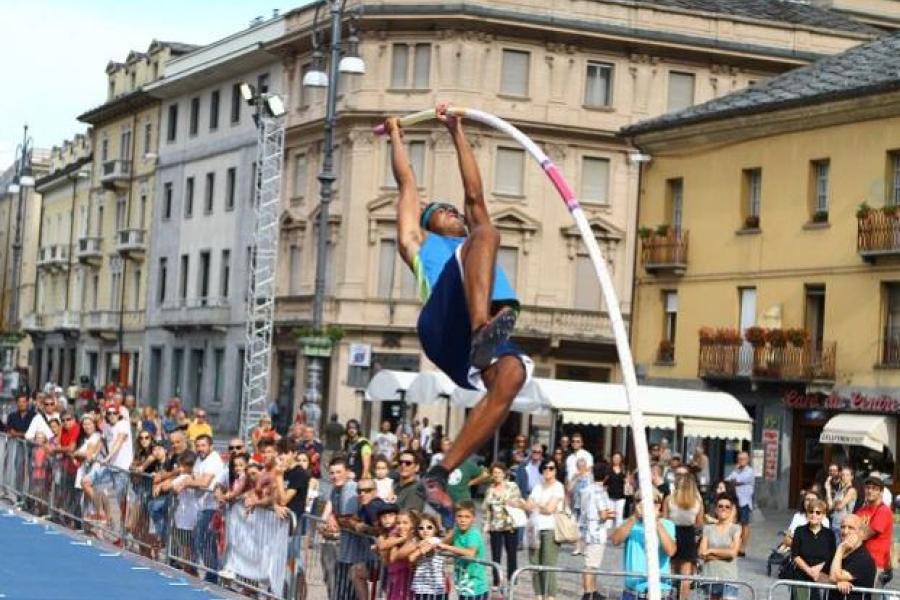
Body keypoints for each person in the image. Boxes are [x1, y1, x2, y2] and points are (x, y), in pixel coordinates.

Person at [384, 104, 530, 515]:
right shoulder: (420, 245)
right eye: (439, 213)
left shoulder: (474, 237)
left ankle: (440, 471)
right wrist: (396, 134)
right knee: (485, 233)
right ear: (428, 225)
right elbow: (407, 184)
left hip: (473, 341)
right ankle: (483, 327)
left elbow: (473, 195)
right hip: (445, 323)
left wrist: (456, 130)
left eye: (452, 212)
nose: (450, 214)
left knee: (513, 374)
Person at [610, 488, 677, 600]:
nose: (643, 504)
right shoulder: (629, 523)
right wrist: (634, 517)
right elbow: (615, 540)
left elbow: (671, 551)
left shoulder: (667, 524)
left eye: (649, 501)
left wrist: (656, 522)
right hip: (633, 590)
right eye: (638, 500)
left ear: (658, 505)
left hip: (660, 589)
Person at [526, 458, 565, 600]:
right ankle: (538, 595)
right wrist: (540, 505)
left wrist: (537, 504)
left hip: (550, 529)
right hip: (534, 529)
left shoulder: (558, 487)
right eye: (545, 468)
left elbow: (550, 509)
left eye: (551, 468)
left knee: (548, 565)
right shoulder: (537, 486)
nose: (548, 470)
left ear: (556, 470)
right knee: (535, 565)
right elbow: (528, 505)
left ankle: (550, 597)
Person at [664, 467, 704, 599]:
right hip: (689, 535)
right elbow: (699, 523)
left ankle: (668, 596)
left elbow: (665, 519)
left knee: (670, 572)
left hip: (672, 533)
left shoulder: (669, 499)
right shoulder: (697, 502)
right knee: (685, 578)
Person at [439, 499, 490, 600]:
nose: (463, 520)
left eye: (467, 517)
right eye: (459, 516)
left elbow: (470, 553)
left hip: (476, 586)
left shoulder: (473, 534)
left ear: (473, 518)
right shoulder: (457, 531)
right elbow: (441, 544)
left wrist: (447, 547)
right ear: (455, 517)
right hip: (462, 583)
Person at [483, 462, 524, 585]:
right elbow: (486, 509)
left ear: (504, 473)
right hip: (495, 526)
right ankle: (497, 581)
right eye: (494, 473)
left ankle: (512, 579)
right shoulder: (489, 490)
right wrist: (485, 524)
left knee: (512, 554)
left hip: (510, 524)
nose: (497, 475)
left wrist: (511, 502)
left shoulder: (512, 486)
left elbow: (518, 501)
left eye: (499, 472)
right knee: (496, 555)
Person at [579, 462, 615, 600]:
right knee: (591, 565)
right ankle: (588, 593)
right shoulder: (600, 491)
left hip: (586, 529)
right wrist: (610, 514)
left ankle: (593, 591)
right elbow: (603, 514)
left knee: (591, 562)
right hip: (597, 530)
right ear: (606, 476)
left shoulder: (587, 489)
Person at [699, 494, 743, 600]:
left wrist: (711, 550)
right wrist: (724, 555)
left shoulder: (735, 529)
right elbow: (701, 553)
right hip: (709, 577)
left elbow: (732, 554)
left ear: (732, 510)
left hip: (729, 579)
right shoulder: (708, 529)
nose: (723, 509)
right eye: (720, 506)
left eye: (727, 507)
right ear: (716, 509)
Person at [790, 498, 835, 600]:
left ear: (823, 515)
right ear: (807, 514)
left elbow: (832, 555)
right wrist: (809, 570)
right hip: (801, 576)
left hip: (821, 576)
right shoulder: (799, 531)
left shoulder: (829, 534)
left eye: (818, 512)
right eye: (811, 512)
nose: (814, 515)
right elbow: (795, 554)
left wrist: (817, 569)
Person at [853, 474, 893, 584]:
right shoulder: (862, 510)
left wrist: (860, 529)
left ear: (881, 492)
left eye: (874, 489)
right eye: (868, 488)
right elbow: (850, 532)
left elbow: (864, 535)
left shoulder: (883, 511)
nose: (870, 491)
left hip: (877, 564)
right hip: (860, 561)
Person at [829, 514, 876, 600]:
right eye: (843, 527)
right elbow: (826, 577)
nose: (845, 531)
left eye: (851, 528)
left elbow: (834, 577)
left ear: (861, 533)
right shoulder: (839, 554)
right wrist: (838, 581)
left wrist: (840, 548)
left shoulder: (864, 559)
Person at [408, 512, 448, 599]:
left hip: (435, 588)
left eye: (429, 527)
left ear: (435, 529)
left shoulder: (435, 540)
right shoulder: (418, 542)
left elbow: (412, 557)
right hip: (421, 586)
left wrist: (418, 551)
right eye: (421, 528)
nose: (425, 530)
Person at [726, 451, 754, 556]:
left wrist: (734, 480)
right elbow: (728, 480)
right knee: (733, 523)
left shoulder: (750, 471)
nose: (741, 461)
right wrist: (734, 478)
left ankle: (743, 547)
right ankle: (734, 545)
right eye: (739, 459)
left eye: (743, 459)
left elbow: (740, 480)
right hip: (735, 501)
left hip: (745, 502)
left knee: (744, 524)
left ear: (747, 460)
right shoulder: (736, 470)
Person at [568, 457, 592, 556]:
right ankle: (577, 547)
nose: (581, 468)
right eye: (579, 466)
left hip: (586, 505)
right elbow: (569, 488)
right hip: (576, 504)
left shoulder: (590, 476)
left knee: (586, 526)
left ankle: (585, 548)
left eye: (583, 466)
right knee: (576, 526)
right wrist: (575, 479)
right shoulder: (575, 476)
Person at [827, 467, 858, 545]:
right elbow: (830, 506)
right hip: (835, 523)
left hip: (844, 526)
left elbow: (839, 506)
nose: (844, 477)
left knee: (839, 550)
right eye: (843, 475)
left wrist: (836, 503)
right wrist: (828, 490)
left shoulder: (851, 490)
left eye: (847, 475)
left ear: (852, 477)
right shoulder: (840, 489)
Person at [607, 451, 627, 526]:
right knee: (610, 516)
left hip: (621, 496)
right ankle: (608, 534)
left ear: (621, 459)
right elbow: (605, 482)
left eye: (618, 458)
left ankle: (618, 534)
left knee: (619, 516)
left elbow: (627, 482)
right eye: (615, 458)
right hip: (610, 495)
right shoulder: (608, 469)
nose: (616, 459)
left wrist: (627, 481)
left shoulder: (624, 470)